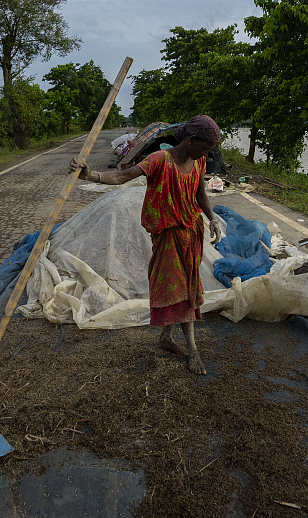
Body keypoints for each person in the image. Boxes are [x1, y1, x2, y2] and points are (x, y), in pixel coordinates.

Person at [70, 115, 223, 375]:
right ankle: (193, 350)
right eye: (204, 147)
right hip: (168, 235)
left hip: (191, 233)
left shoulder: (198, 162)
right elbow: (123, 177)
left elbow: (200, 194)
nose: (205, 154)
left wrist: (213, 219)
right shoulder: (159, 160)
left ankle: (166, 338)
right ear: (191, 139)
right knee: (180, 291)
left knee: (186, 286)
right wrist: (91, 175)